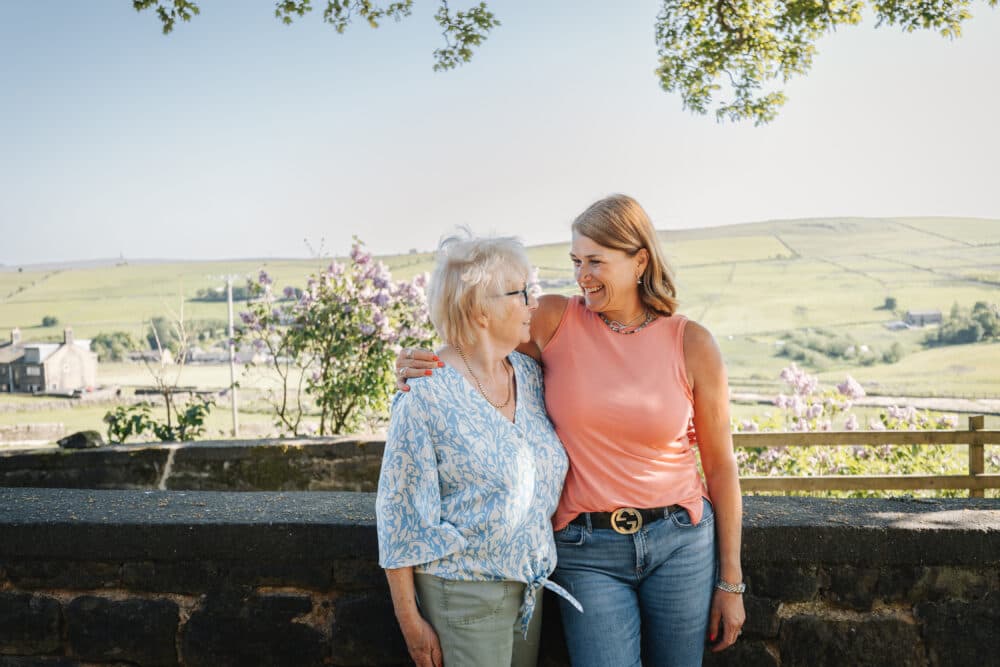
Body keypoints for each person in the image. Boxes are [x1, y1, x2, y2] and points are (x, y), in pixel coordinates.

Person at [396, 194, 746, 666]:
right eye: (576, 260)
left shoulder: (693, 343)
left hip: (680, 544)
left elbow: (721, 468)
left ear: (639, 260)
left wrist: (731, 581)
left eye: (596, 261)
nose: (582, 275)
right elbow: (476, 333)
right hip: (586, 549)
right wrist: (422, 362)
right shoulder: (554, 319)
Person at [376, 231, 576, 667]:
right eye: (520, 292)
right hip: (462, 594)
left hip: (530, 587)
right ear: (479, 309)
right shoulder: (424, 394)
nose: (532, 304)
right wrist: (409, 620)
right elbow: (399, 517)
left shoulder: (530, 374)